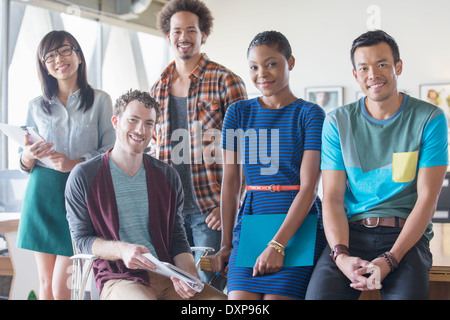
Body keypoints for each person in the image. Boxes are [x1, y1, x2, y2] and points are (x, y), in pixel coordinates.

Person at [305, 30, 448, 300]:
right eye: (364, 68)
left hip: (405, 236)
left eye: (382, 64)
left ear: (398, 67)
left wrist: (391, 259)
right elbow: (333, 197)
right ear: (355, 74)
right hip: (351, 233)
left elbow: (428, 199)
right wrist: (341, 255)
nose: (373, 74)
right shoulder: (337, 122)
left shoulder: (429, 118)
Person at [65, 89, 226, 300]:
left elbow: (177, 238)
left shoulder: (167, 175)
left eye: (149, 123)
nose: (140, 130)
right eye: (133, 120)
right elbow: (82, 239)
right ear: (115, 121)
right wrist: (122, 250)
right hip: (121, 279)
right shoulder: (84, 175)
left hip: (169, 277)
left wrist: (189, 276)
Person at [210, 31, 326, 300]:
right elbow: (230, 183)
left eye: (271, 63)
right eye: (254, 67)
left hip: (296, 227)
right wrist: (225, 244)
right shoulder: (238, 113)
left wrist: (278, 245)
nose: (262, 73)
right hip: (251, 222)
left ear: (290, 62)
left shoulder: (310, 114)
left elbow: (309, 188)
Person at [149, 0, 247, 289]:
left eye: (191, 30)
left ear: (203, 34)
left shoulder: (226, 81)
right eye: (177, 31)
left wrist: (229, 203)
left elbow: (245, 151)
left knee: (210, 287)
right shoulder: (158, 86)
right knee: (176, 286)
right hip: (170, 212)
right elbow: (157, 149)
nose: (184, 37)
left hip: (211, 211)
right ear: (168, 36)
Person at [16, 30, 115, 300]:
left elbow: (110, 151)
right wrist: (28, 156)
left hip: (78, 193)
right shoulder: (36, 105)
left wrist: (74, 163)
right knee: (46, 284)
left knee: (63, 288)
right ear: (44, 67)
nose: (58, 59)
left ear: (78, 56)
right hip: (41, 192)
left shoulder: (100, 100)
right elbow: (23, 157)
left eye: (64, 51)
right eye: (49, 56)